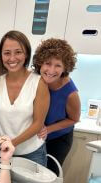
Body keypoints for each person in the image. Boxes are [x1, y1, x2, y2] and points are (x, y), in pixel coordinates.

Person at [0, 30, 50, 183]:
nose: (12, 58)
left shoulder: (38, 83)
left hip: (32, 153)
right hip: (3, 154)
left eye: (18, 52)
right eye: (7, 53)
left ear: (26, 54)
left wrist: (12, 143)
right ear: (1, 55)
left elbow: (38, 123)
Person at [33, 38, 80, 175]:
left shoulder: (71, 93)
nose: (51, 70)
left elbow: (74, 119)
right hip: (38, 135)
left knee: (49, 176)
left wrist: (48, 129)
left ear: (65, 67)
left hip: (58, 139)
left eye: (58, 65)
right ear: (40, 63)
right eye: (48, 63)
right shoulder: (35, 80)